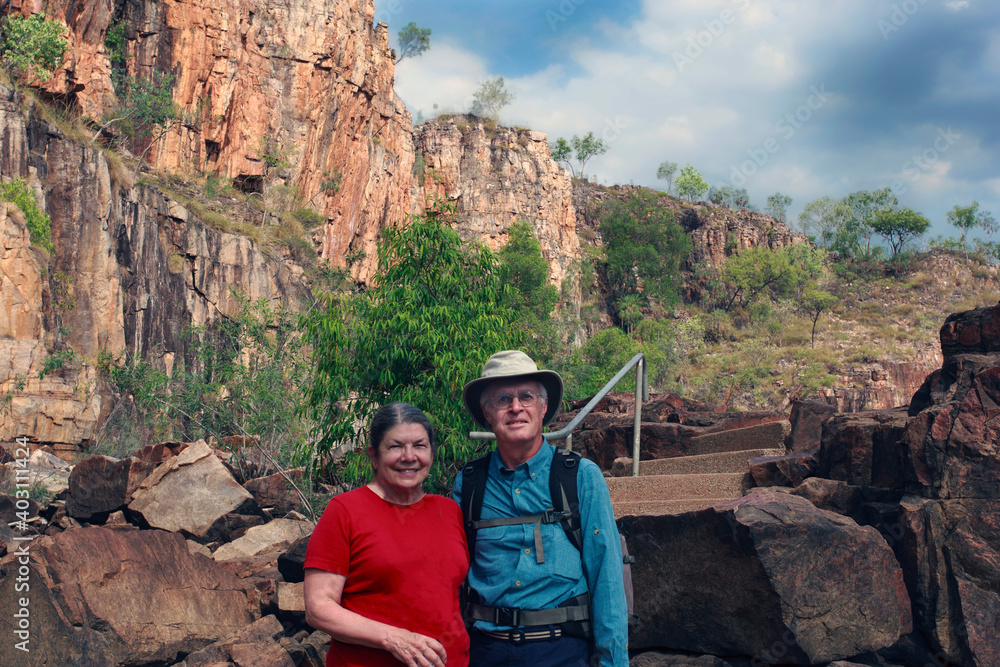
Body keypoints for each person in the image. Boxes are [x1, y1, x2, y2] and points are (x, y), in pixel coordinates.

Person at [452, 350, 628, 666]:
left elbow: (607, 577)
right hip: (485, 652)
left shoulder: (580, 476)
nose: (516, 407)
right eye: (503, 399)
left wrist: (613, 661)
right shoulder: (469, 484)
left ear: (543, 407)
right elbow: (448, 575)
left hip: (561, 651)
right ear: (487, 412)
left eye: (526, 396)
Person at [304, 403, 470, 667]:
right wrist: (394, 638)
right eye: (395, 446)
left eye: (420, 445)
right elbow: (318, 608)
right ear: (374, 455)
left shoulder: (448, 510)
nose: (409, 456)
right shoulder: (345, 511)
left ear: (432, 453)